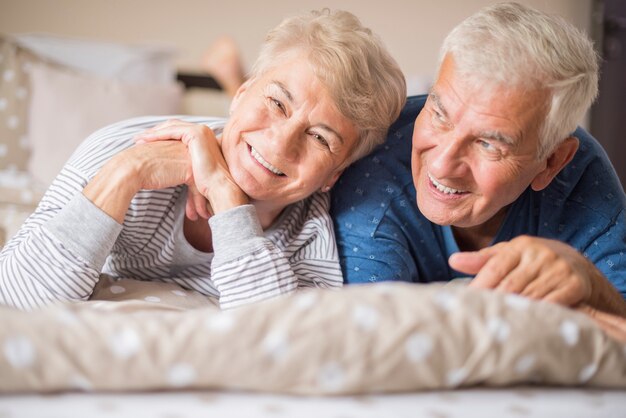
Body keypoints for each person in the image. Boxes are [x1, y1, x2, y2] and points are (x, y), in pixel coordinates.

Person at [0, 9, 406, 310]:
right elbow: (19, 298)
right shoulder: (120, 148)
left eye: (319, 137)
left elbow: (276, 343)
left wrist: (227, 196)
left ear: (333, 176)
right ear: (241, 94)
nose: (282, 145)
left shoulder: (313, 240)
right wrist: (130, 170)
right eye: (277, 103)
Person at [331, 2, 626, 317]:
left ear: (551, 162)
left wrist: (595, 290)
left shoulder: (586, 189)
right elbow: (378, 340)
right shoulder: (374, 172)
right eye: (439, 114)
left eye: (488, 144)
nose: (442, 164)